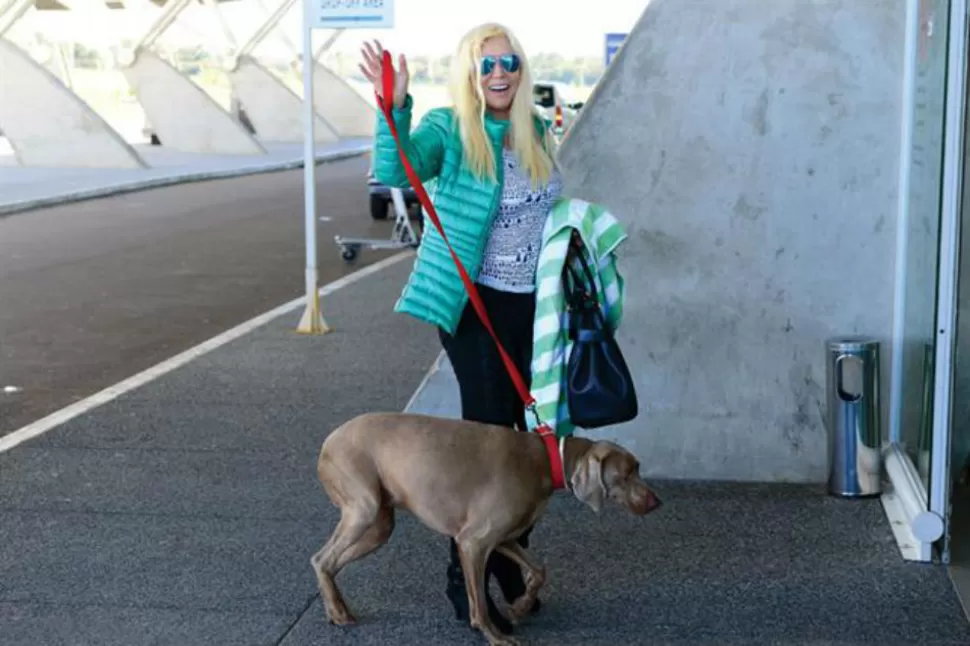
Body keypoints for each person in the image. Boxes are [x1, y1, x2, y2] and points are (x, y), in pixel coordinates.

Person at [360, 22, 562, 634]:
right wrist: (392, 107)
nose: (499, 74)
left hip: (533, 305)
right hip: (475, 305)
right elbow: (396, 168)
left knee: (530, 442)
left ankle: (503, 562)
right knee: (490, 441)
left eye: (508, 63)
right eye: (486, 66)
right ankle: (464, 577)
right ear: (470, 76)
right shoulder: (450, 127)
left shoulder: (535, 130)